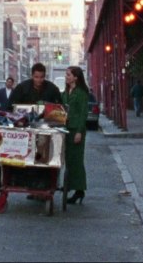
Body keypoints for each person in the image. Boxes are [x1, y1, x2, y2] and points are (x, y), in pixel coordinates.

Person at [62, 66, 89, 205]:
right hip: (66, 129)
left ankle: (79, 190)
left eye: (68, 75)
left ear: (75, 77)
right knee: (69, 159)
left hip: (76, 130)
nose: (66, 77)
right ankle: (71, 186)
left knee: (76, 160)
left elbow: (83, 113)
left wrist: (79, 131)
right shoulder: (66, 91)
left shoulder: (81, 93)